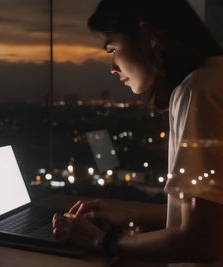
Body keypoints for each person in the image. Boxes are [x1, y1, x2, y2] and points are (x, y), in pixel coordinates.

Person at [52, 0, 223, 266]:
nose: (112, 66)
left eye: (112, 49)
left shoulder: (198, 91)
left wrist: (100, 241)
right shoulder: (211, 80)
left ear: (147, 36)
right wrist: (127, 214)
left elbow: (201, 241)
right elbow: (209, 214)